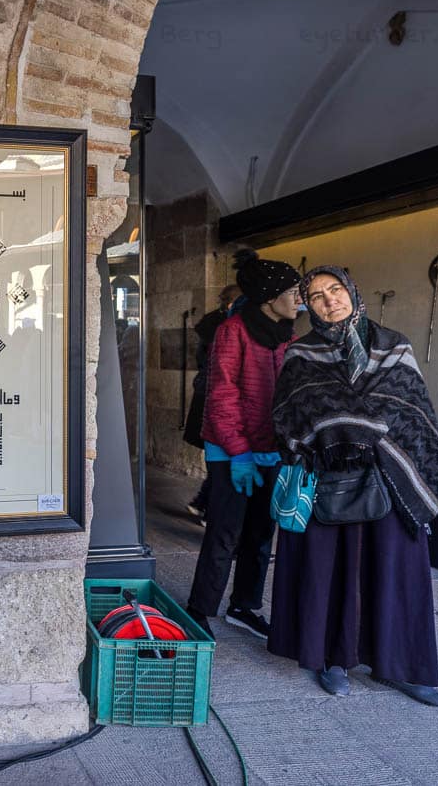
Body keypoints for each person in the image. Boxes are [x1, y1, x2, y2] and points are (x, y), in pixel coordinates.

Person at [269, 266, 438, 706]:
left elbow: (412, 412)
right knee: (333, 570)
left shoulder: (394, 346)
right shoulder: (301, 354)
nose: (329, 299)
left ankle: (404, 667)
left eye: (335, 290)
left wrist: (360, 427)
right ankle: (335, 659)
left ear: (352, 291)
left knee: (395, 570)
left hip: (390, 478)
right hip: (331, 478)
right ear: (308, 307)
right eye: (316, 295)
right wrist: (340, 432)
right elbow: (287, 416)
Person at [185, 251, 301, 639]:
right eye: (293, 291)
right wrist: (239, 453)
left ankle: (245, 606)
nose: (299, 298)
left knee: (261, 533)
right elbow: (222, 396)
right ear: (270, 297)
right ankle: (200, 608)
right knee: (224, 531)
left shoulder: (289, 336)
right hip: (231, 451)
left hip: (272, 451)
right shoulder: (232, 331)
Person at [182, 284, 243, 523]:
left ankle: (203, 504)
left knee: (222, 466)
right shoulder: (226, 330)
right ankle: (210, 510)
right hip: (220, 409)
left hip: (213, 405)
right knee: (224, 466)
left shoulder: (216, 327)